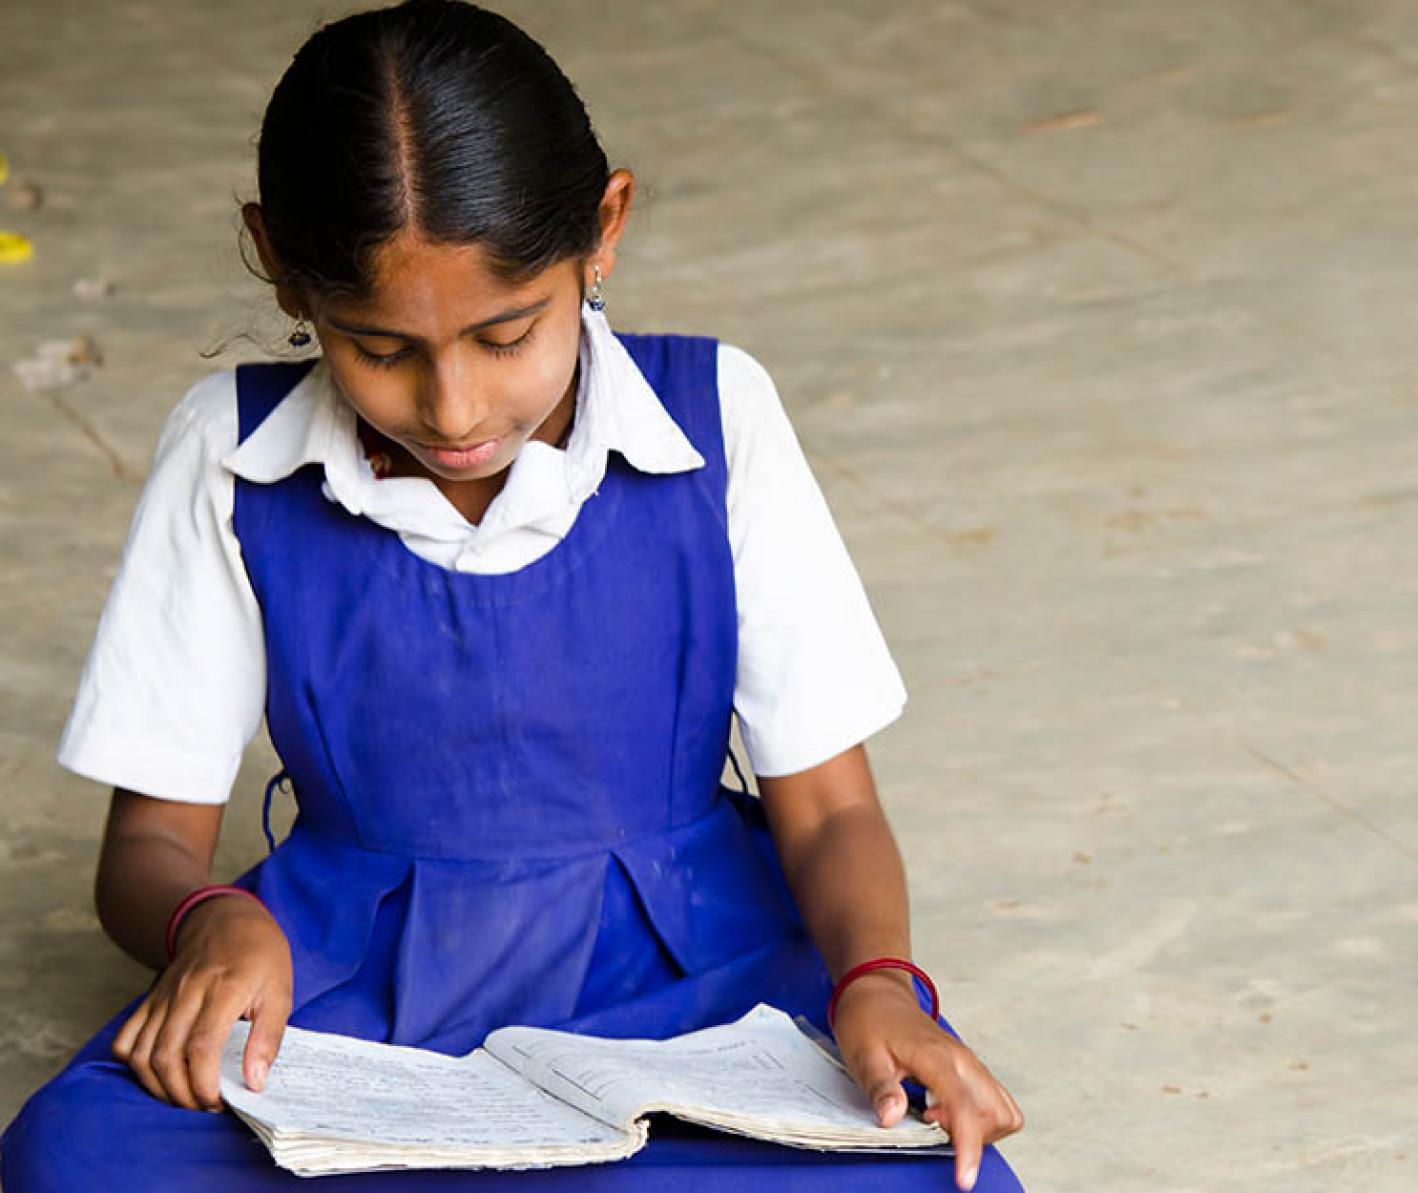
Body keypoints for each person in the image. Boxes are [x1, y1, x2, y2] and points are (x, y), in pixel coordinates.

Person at [0, 2, 1026, 1189]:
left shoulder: (715, 417)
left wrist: (876, 984)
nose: (453, 408)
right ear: (282, 265)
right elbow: (150, 844)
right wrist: (207, 918)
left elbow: (832, 809)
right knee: (72, 1161)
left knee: (931, 1174)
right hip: (345, 987)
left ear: (604, 230)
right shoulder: (232, 455)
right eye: (381, 349)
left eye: (507, 334)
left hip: (686, 981)